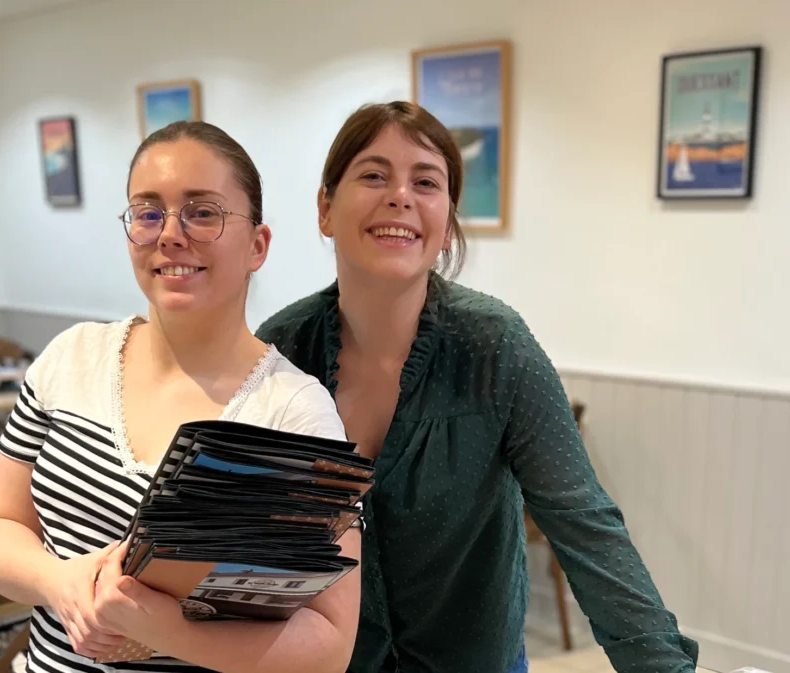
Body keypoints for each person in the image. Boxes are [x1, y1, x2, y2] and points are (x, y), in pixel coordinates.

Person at [255, 101, 700, 673]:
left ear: (446, 225)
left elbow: (585, 526)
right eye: (374, 175)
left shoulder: (496, 345)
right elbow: (244, 535)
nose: (400, 196)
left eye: (426, 182)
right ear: (325, 208)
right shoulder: (283, 348)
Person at [0, 121, 361, 673]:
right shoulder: (71, 358)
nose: (170, 234)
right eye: (148, 212)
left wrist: (160, 627)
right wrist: (58, 581)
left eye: (202, 212)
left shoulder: (293, 412)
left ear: (257, 246)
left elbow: (329, 645)